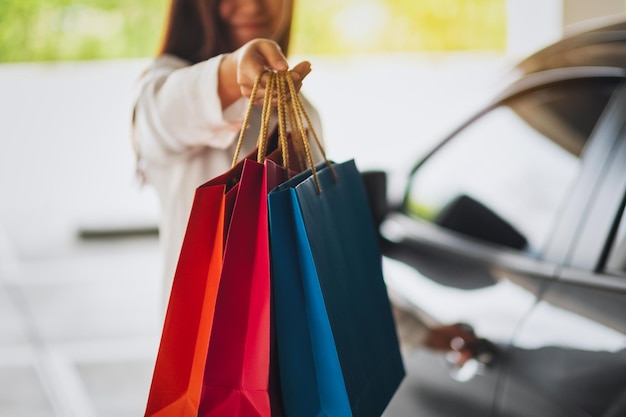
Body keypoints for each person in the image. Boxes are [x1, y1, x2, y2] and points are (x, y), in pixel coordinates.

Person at [131, 0, 476, 363]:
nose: (250, 6)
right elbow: (166, 110)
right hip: (215, 357)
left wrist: (415, 330)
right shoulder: (161, 86)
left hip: (295, 357)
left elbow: (319, 251)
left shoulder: (298, 107)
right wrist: (234, 70)